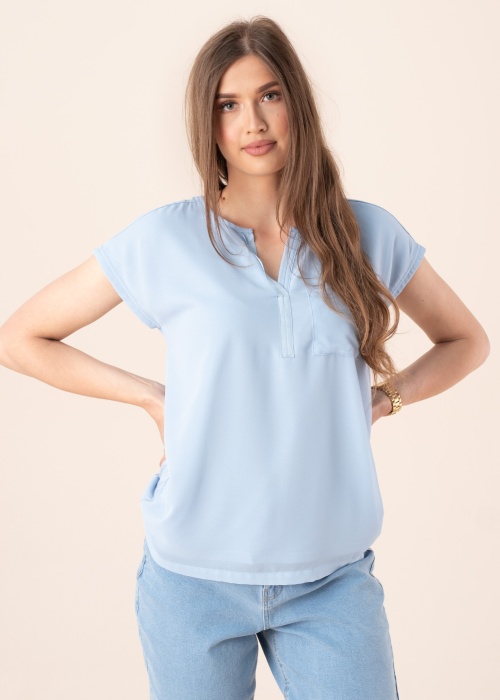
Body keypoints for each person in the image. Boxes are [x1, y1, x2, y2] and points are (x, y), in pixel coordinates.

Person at [0, 15, 490, 700]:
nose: (252, 122)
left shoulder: (364, 232)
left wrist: (386, 400)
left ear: (297, 103)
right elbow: (20, 338)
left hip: (331, 579)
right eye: (228, 104)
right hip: (191, 580)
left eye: (269, 95)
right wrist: (150, 396)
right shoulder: (165, 239)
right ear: (208, 123)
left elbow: (467, 340)